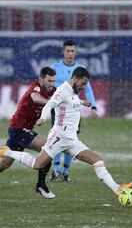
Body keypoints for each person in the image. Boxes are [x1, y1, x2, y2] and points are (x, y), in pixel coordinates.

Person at [0, 67, 132, 197]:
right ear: (75, 79)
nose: (83, 87)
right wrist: (43, 118)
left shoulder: (72, 91)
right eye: (82, 84)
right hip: (59, 137)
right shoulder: (63, 90)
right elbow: (51, 104)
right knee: (37, 164)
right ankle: (6, 152)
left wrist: (83, 102)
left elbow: (70, 102)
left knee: (97, 160)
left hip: (71, 140)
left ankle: (117, 188)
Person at [0, 67, 57, 203]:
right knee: (48, 148)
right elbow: (35, 98)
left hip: (24, 130)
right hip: (18, 129)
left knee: (4, 163)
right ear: (41, 79)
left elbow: (56, 103)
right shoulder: (36, 88)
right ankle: (40, 185)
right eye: (49, 81)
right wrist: (51, 102)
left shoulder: (54, 91)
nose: (52, 84)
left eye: (53, 81)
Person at [50, 40, 98, 182]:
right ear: (63, 52)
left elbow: (88, 88)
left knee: (71, 138)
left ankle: (65, 172)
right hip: (58, 109)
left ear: (75, 52)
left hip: (74, 108)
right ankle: (56, 170)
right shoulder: (55, 68)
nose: (70, 54)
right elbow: (49, 85)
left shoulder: (80, 69)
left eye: (72, 51)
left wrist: (94, 106)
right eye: (68, 51)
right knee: (57, 137)